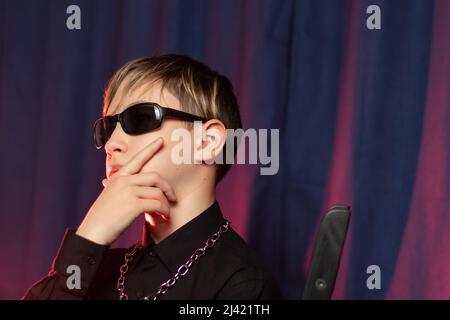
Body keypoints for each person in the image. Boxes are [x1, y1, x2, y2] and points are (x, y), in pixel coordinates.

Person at [22, 54, 281, 300]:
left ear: (207, 142)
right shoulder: (99, 270)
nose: (112, 143)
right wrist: (90, 236)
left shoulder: (243, 283)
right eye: (107, 128)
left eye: (141, 118)